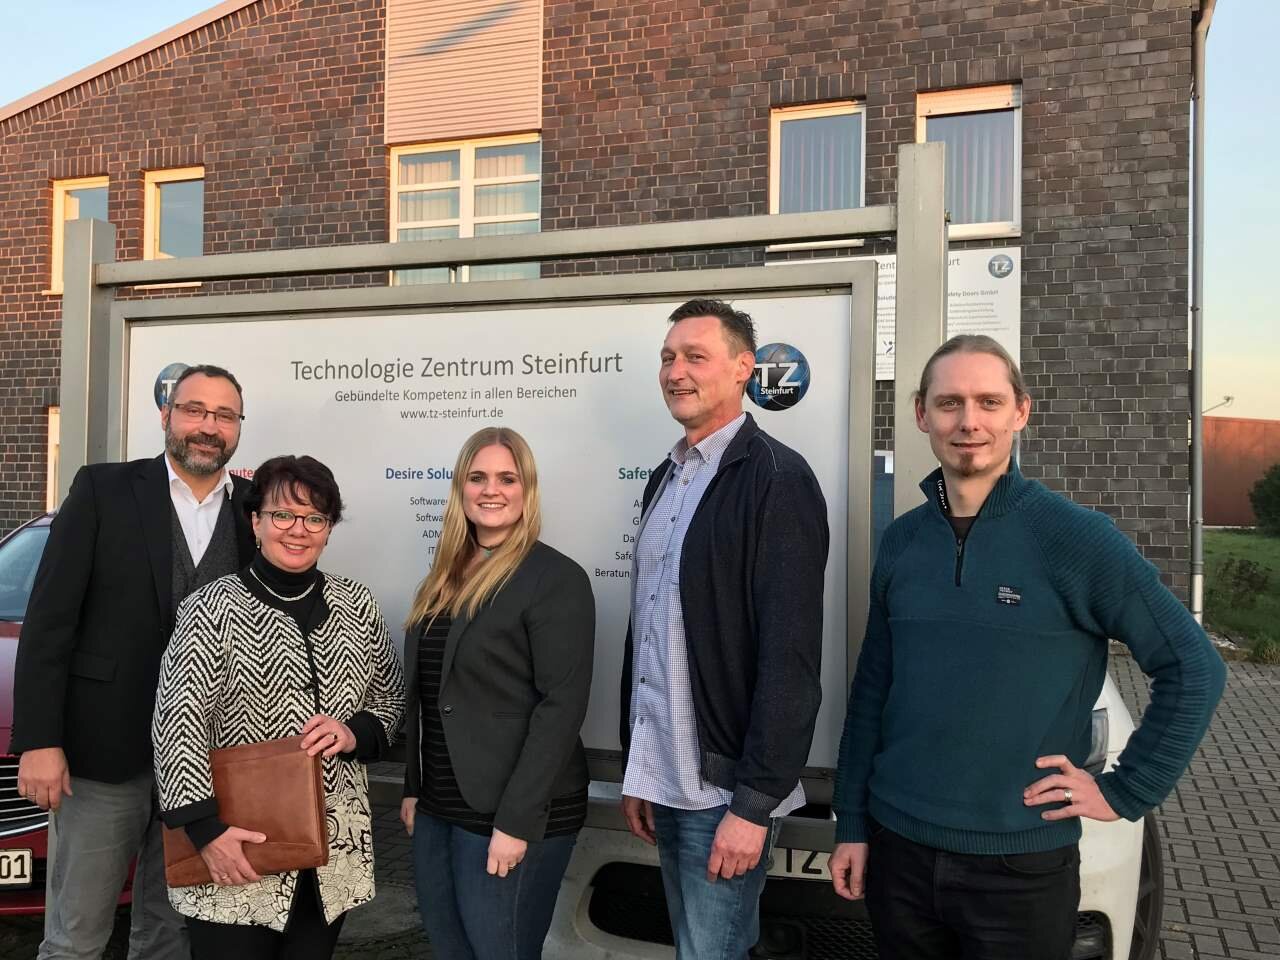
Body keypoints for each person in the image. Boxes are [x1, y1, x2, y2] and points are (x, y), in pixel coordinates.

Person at [828, 335, 1227, 960]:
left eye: (989, 402)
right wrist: (851, 824)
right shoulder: (903, 542)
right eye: (950, 402)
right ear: (921, 415)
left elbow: (1193, 667)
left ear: (1021, 412)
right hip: (898, 851)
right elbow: (872, 693)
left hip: (1019, 869)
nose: (969, 422)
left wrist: (1126, 790)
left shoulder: (1076, 539)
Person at [13, 363, 255, 960]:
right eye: (195, 410)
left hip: (204, 762)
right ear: (166, 415)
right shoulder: (104, 490)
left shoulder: (254, 509)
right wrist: (39, 740)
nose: (209, 426)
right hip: (104, 757)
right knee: (75, 937)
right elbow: (49, 621)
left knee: (167, 935)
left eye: (224, 415)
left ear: (238, 427)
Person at [619, 298, 829, 959]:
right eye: (667, 358)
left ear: (743, 368)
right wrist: (640, 769)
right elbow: (648, 630)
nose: (675, 371)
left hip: (724, 792)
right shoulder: (665, 478)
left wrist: (753, 804)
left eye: (695, 357)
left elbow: (790, 658)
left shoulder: (776, 478)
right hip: (666, 780)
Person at [151, 454, 405, 959]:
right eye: (283, 514)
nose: (298, 530)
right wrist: (206, 831)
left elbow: (390, 697)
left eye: (315, 518)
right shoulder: (211, 607)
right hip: (237, 846)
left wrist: (355, 732)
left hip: (332, 853)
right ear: (256, 522)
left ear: (328, 529)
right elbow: (177, 725)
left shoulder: (357, 603)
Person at [399, 426, 595, 960]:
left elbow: (561, 707)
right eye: (478, 477)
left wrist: (515, 822)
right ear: (460, 488)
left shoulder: (554, 578)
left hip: (512, 813)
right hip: (439, 805)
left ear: (527, 489)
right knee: (450, 949)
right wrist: (415, 786)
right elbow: (429, 691)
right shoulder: (443, 576)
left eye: (508, 478)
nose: (491, 490)